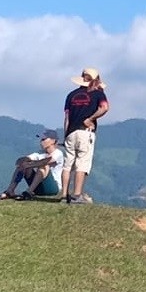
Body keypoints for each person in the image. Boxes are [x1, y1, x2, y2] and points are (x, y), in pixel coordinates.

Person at [61, 67, 108, 204]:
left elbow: (67, 118)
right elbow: (104, 108)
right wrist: (90, 118)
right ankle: (76, 195)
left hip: (71, 132)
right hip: (85, 132)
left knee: (67, 164)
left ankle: (64, 195)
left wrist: (66, 135)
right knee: (82, 163)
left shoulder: (71, 95)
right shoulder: (98, 94)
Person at [0, 129, 65, 200]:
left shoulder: (58, 153)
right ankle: (10, 190)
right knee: (23, 166)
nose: (41, 141)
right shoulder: (39, 153)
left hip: (52, 188)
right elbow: (20, 160)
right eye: (41, 139)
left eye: (44, 139)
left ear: (53, 141)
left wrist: (29, 165)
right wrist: (24, 162)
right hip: (38, 188)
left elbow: (46, 161)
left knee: (43, 166)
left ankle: (29, 192)